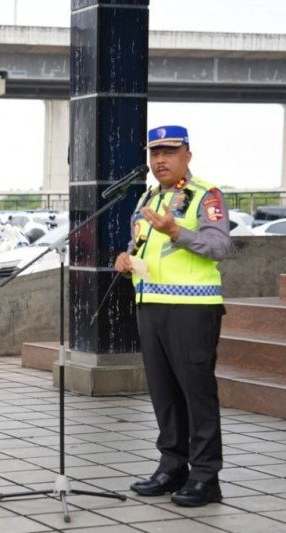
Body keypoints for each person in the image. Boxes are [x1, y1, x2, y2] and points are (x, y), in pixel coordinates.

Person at [114, 125, 230, 508]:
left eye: (169, 152)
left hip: (193, 310)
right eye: (154, 153)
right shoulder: (148, 197)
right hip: (151, 306)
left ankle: (205, 476)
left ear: (187, 156)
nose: (159, 160)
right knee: (164, 395)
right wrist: (126, 259)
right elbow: (142, 244)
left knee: (196, 394)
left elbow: (218, 245)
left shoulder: (205, 196)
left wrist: (176, 231)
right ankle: (172, 466)